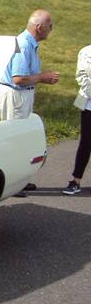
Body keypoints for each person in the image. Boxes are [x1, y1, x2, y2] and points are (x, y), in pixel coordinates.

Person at [0, 9, 60, 195]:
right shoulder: (24, 45)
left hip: (20, 94)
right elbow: (18, 78)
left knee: (19, 139)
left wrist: (40, 78)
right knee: (13, 140)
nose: (51, 28)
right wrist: (42, 77)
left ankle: (18, 181)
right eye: (49, 25)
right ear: (39, 27)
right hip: (15, 94)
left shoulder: (29, 43)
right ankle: (10, 184)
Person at [63, 44, 91, 195]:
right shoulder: (86, 52)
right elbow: (81, 76)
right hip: (88, 104)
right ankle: (76, 180)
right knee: (86, 142)